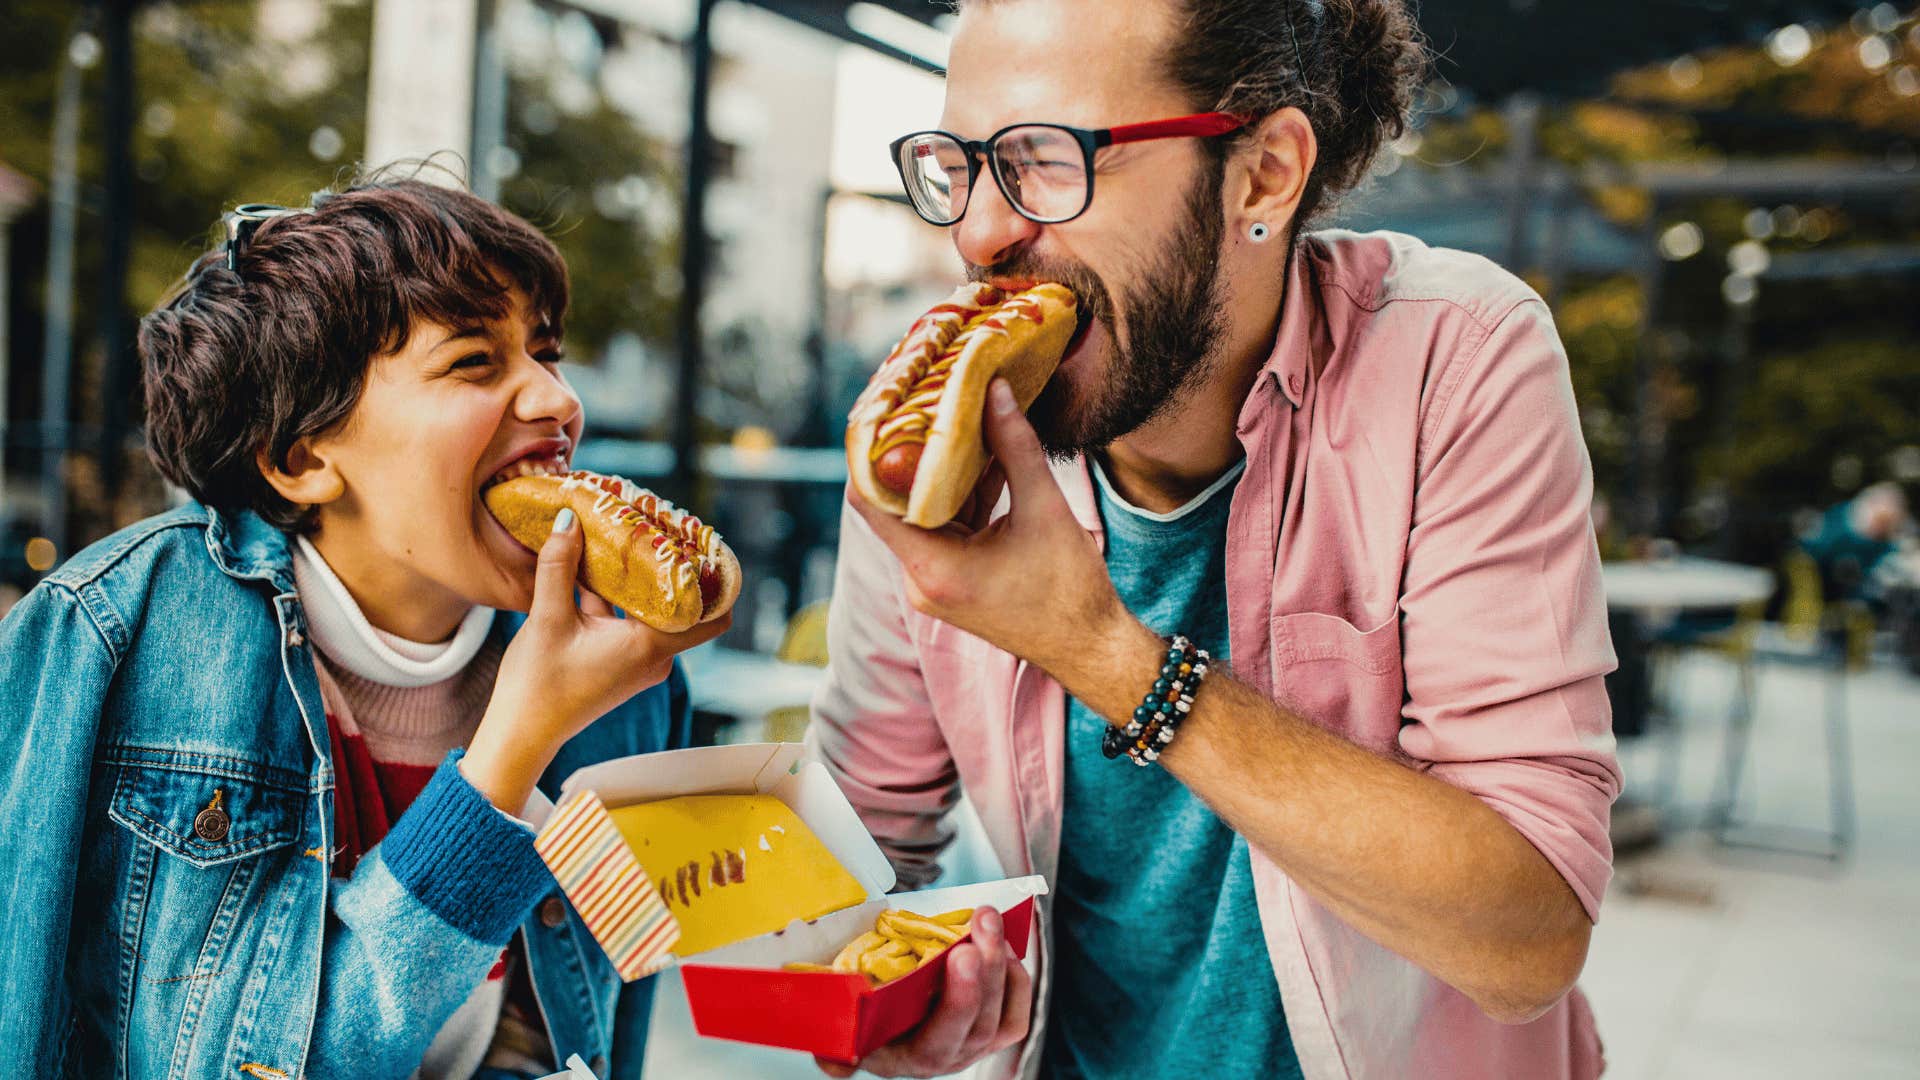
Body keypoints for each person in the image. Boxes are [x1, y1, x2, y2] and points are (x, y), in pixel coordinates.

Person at [810, 1, 1621, 1077]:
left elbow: (1529, 942)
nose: (979, 234)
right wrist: (885, 984)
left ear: (1265, 175)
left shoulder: (1457, 360)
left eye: (1046, 160)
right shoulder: (936, 446)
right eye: (960, 167)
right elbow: (851, 862)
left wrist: (1101, 650)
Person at [0, 175, 731, 1078]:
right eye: (475, 361)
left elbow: (596, 1028)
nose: (555, 400)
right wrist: (516, 746)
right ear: (304, 457)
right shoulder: (113, 636)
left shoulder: (622, 673)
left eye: (546, 353)